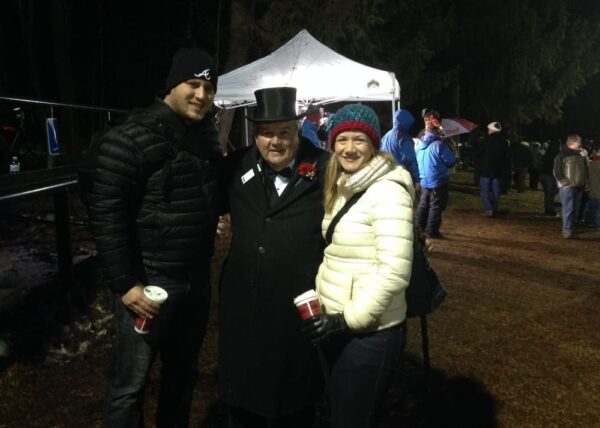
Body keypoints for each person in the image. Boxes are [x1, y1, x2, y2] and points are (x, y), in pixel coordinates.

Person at [87, 48, 222, 427]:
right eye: (192, 84)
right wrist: (126, 283)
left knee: (182, 376)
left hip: (195, 281)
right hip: (149, 284)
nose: (201, 95)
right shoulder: (128, 138)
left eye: (208, 87)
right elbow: (106, 214)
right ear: (171, 86)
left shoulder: (207, 138)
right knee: (130, 384)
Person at [217, 87, 330, 427]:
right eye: (267, 133)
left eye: (284, 132)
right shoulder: (236, 167)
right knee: (242, 402)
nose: (275, 142)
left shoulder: (326, 169)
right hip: (244, 307)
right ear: (256, 134)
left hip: (297, 310)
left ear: (298, 131)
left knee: (293, 404)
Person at [301, 103, 414, 428]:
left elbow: (394, 271)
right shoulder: (344, 185)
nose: (349, 148)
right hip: (338, 322)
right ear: (332, 143)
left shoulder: (387, 190)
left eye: (359, 140)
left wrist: (346, 320)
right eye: (342, 139)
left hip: (370, 333)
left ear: (374, 143)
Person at [415, 108, 457, 238]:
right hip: (437, 180)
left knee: (423, 204)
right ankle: (432, 231)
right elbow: (450, 161)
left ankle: (418, 228)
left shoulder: (419, 142)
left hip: (424, 179)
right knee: (436, 206)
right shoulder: (439, 145)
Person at [553, 134, 589, 239]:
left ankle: (571, 229)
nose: (581, 144)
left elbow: (585, 171)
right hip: (568, 187)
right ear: (573, 143)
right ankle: (567, 230)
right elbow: (557, 171)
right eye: (579, 142)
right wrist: (565, 183)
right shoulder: (561, 156)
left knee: (575, 210)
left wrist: (585, 183)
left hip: (579, 187)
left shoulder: (580, 156)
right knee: (569, 209)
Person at [477, 121, 511, 217]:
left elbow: (479, 154)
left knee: (485, 190)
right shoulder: (504, 141)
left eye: (488, 129)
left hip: (486, 170)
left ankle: (488, 209)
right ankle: (494, 208)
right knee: (496, 190)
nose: (488, 130)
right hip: (498, 171)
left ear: (492, 130)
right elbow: (507, 157)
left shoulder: (486, 140)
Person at [381, 108, 420, 188]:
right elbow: (410, 159)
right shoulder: (404, 137)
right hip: (400, 177)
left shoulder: (386, 135)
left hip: (385, 174)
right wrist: (418, 179)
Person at [539, 140, 560, 216]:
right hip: (551, 175)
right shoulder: (557, 154)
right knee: (551, 193)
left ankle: (548, 209)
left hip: (544, 174)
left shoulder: (546, 153)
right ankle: (550, 210)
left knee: (548, 193)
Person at [587, 150, 600, 228]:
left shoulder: (590, 164)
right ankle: (598, 226)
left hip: (592, 191)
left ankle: (591, 223)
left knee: (592, 209)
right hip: (599, 191)